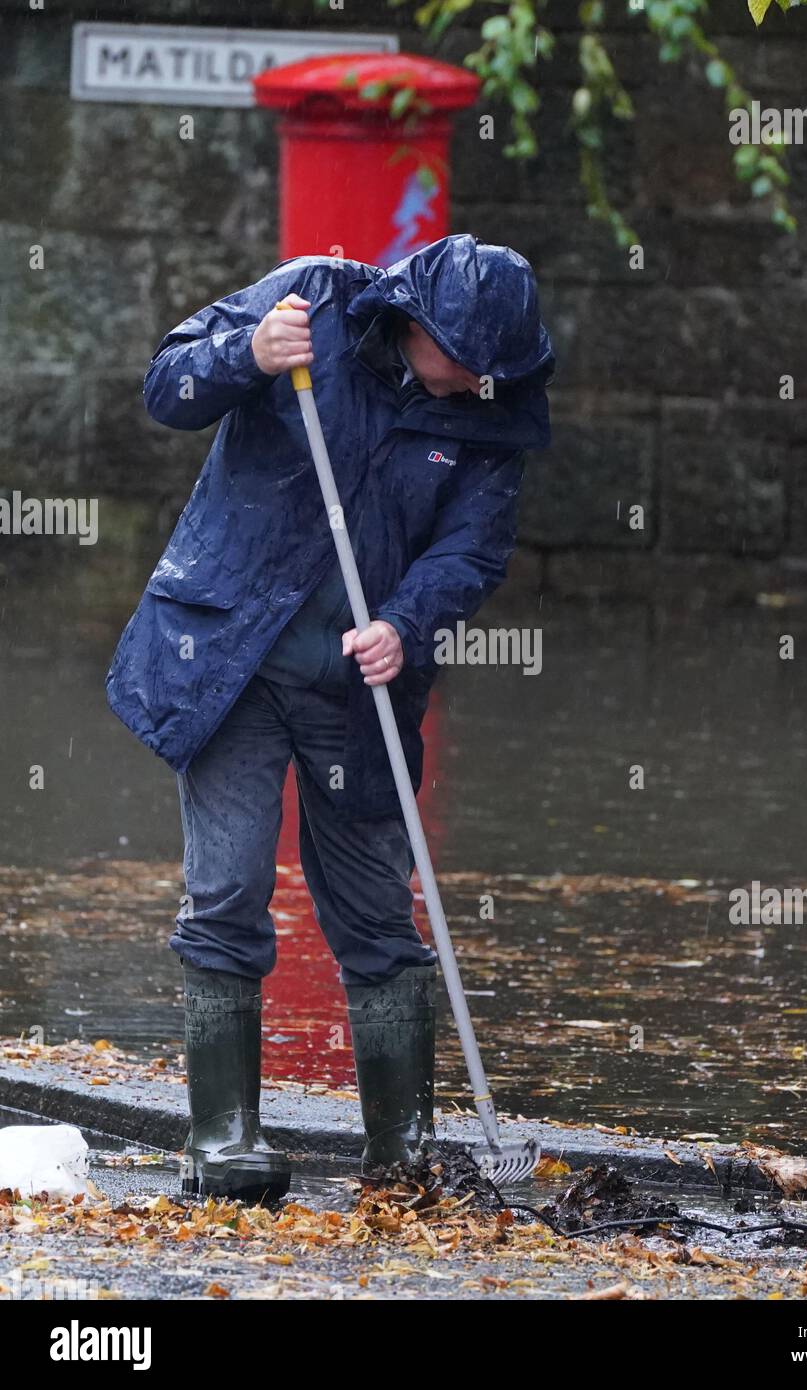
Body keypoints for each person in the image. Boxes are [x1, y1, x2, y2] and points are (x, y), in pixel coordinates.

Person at [105, 234, 555, 1202]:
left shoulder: (492, 409)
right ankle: (221, 1138)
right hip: (234, 661)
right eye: (459, 359)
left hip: (360, 690)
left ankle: (403, 1151)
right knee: (226, 890)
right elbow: (164, 388)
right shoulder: (311, 300)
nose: (470, 381)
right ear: (415, 321)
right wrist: (248, 354)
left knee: (378, 919)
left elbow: (472, 549)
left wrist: (405, 620)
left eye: (489, 369)